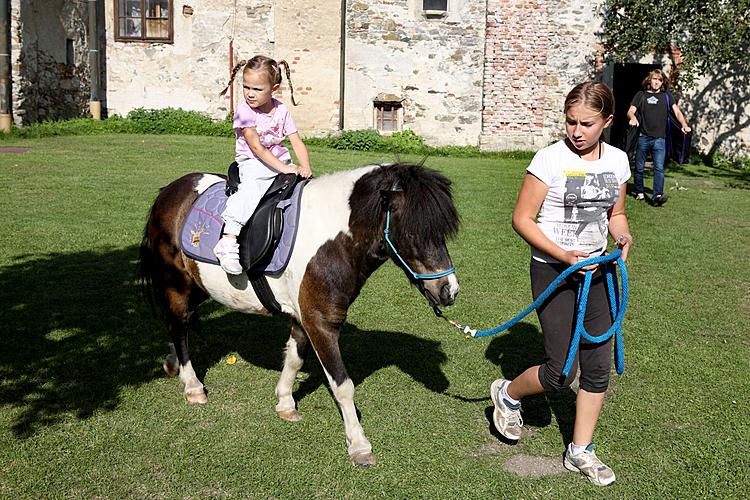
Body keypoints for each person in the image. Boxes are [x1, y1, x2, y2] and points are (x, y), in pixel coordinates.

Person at [490, 81, 633, 487]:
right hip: (554, 270)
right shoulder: (548, 160)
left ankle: (580, 451)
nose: (576, 131)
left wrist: (622, 236)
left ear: (606, 121)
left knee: (598, 367)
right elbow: (522, 219)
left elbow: (616, 213)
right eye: (570, 121)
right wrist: (565, 256)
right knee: (560, 372)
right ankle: (508, 393)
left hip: (599, 273)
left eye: (586, 123)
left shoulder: (618, 162)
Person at [214, 55, 313, 274]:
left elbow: (296, 140)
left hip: (280, 160)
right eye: (246, 87)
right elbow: (257, 147)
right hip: (253, 161)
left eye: (257, 89)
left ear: (274, 88)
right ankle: (228, 239)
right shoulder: (244, 111)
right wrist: (284, 168)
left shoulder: (282, 110)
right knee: (252, 189)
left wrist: (304, 166)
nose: (250, 93)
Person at [627, 69, 691, 206]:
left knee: (659, 168)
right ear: (650, 80)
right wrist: (632, 118)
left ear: (662, 82)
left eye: (660, 80)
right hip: (643, 137)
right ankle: (639, 191)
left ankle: (657, 196)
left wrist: (684, 124)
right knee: (639, 167)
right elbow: (630, 111)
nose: (657, 82)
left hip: (660, 139)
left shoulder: (667, 96)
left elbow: (677, 112)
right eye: (655, 79)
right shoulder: (641, 95)